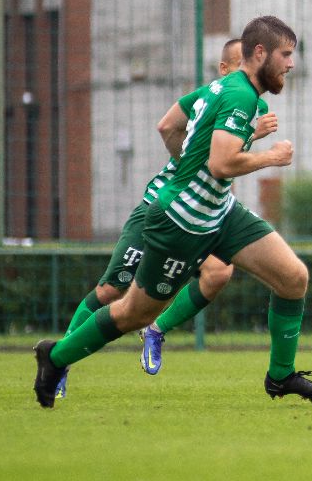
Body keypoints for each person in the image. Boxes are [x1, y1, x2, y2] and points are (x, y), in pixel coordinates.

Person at [33, 15, 312, 407]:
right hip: (182, 222)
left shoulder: (221, 88)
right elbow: (221, 164)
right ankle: (55, 358)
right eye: (286, 54)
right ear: (260, 53)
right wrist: (271, 157)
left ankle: (281, 376)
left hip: (220, 211)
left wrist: (189, 164)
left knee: (293, 277)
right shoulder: (241, 96)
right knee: (133, 313)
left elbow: (169, 124)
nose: (291, 64)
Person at [51, 39, 275, 399]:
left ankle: (156, 330)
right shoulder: (214, 96)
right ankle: (60, 360)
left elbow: (224, 163)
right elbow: (185, 138)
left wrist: (250, 136)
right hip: (162, 207)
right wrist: (255, 138)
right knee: (112, 290)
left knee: (219, 272)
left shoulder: (253, 104)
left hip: (200, 216)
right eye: (239, 64)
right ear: (224, 70)